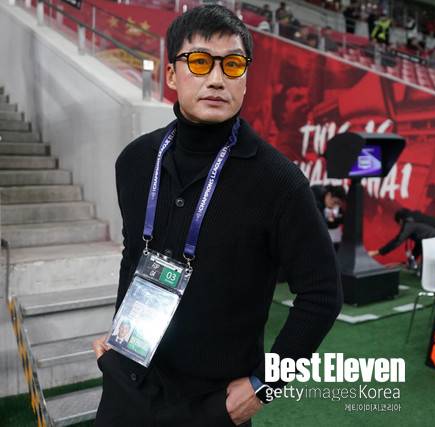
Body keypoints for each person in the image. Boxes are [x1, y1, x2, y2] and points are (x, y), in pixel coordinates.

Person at [92, 6, 342, 426]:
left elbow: (323, 294)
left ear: (245, 77)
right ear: (172, 75)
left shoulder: (279, 182)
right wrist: (119, 334)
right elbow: (133, 254)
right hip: (127, 380)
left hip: (213, 403)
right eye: (199, 62)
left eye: (232, 65)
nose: (216, 78)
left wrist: (266, 384)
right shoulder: (135, 161)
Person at [368, 209, 435, 260]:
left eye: (398, 224)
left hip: (433, 245)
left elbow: (397, 241)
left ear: (400, 220)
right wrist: (412, 259)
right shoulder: (415, 223)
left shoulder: (409, 225)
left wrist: (377, 252)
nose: (400, 227)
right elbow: (419, 244)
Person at [311, 185, 347, 250]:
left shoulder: (322, 200)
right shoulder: (316, 201)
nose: (335, 206)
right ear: (329, 195)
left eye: (338, 204)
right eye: (335, 202)